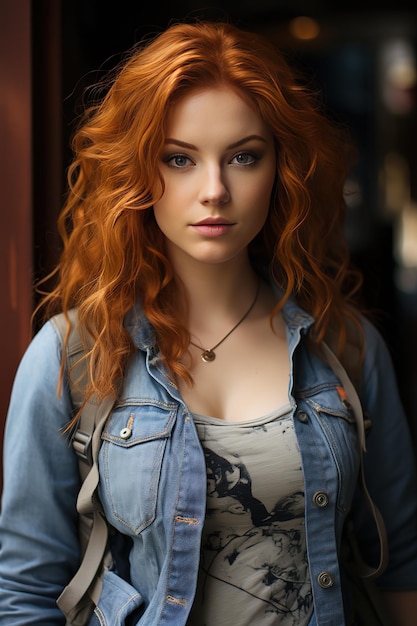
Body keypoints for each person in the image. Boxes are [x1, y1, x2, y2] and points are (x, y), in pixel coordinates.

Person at [0, 19, 416, 626]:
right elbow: (26, 591)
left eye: (244, 156)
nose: (215, 190)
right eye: (179, 159)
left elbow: (401, 562)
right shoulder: (73, 355)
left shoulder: (346, 347)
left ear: (281, 170)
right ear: (139, 173)